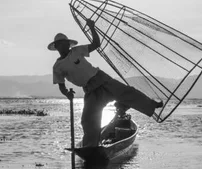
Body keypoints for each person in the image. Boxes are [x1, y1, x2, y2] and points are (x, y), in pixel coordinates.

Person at [49, 19, 163, 147]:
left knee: (127, 92)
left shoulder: (76, 51)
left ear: (68, 44)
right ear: (57, 47)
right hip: (90, 89)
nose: (63, 46)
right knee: (88, 120)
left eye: (65, 43)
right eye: (60, 44)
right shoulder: (57, 66)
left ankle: (150, 105)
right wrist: (67, 94)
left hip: (101, 78)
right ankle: (91, 146)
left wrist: (92, 27)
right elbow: (61, 86)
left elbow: (96, 44)